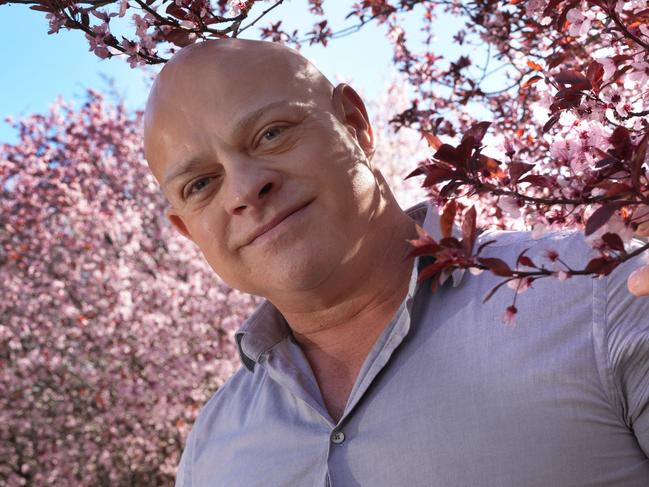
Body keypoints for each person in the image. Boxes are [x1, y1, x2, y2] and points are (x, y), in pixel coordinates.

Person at [143, 39, 649, 486]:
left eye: (271, 134)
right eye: (200, 184)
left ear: (355, 126)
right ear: (187, 229)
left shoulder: (604, 290)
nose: (245, 189)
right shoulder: (209, 452)